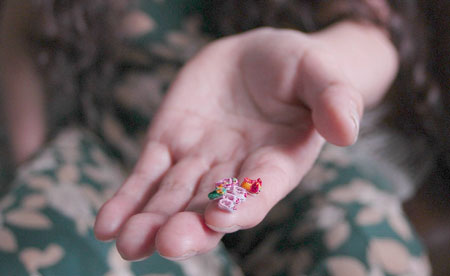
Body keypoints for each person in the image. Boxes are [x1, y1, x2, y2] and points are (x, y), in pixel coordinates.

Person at [0, 0, 440, 275]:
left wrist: (321, 61)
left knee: (358, 232)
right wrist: (32, 159)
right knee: (49, 229)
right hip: (110, 152)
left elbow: (372, 32)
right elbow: (20, 46)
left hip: (281, 150)